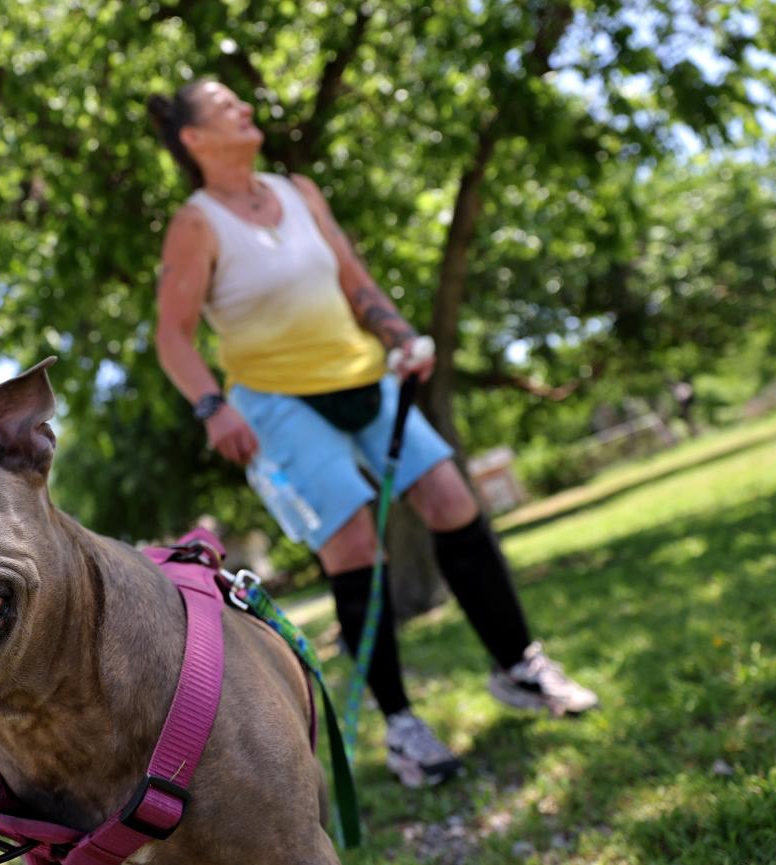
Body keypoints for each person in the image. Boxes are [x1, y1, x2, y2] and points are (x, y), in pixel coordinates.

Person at [148, 80, 598, 789]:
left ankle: (520, 666)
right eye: (225, 104)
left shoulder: (297, 190)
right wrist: (214, 408)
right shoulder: (197, 223)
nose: (244, 106)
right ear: (194, 138)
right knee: (354, 541)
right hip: (275, 400)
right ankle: (404, 728)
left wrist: (398, 333)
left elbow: (355, 280)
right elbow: (172, 337)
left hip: (365, 377)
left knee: (452, 499)